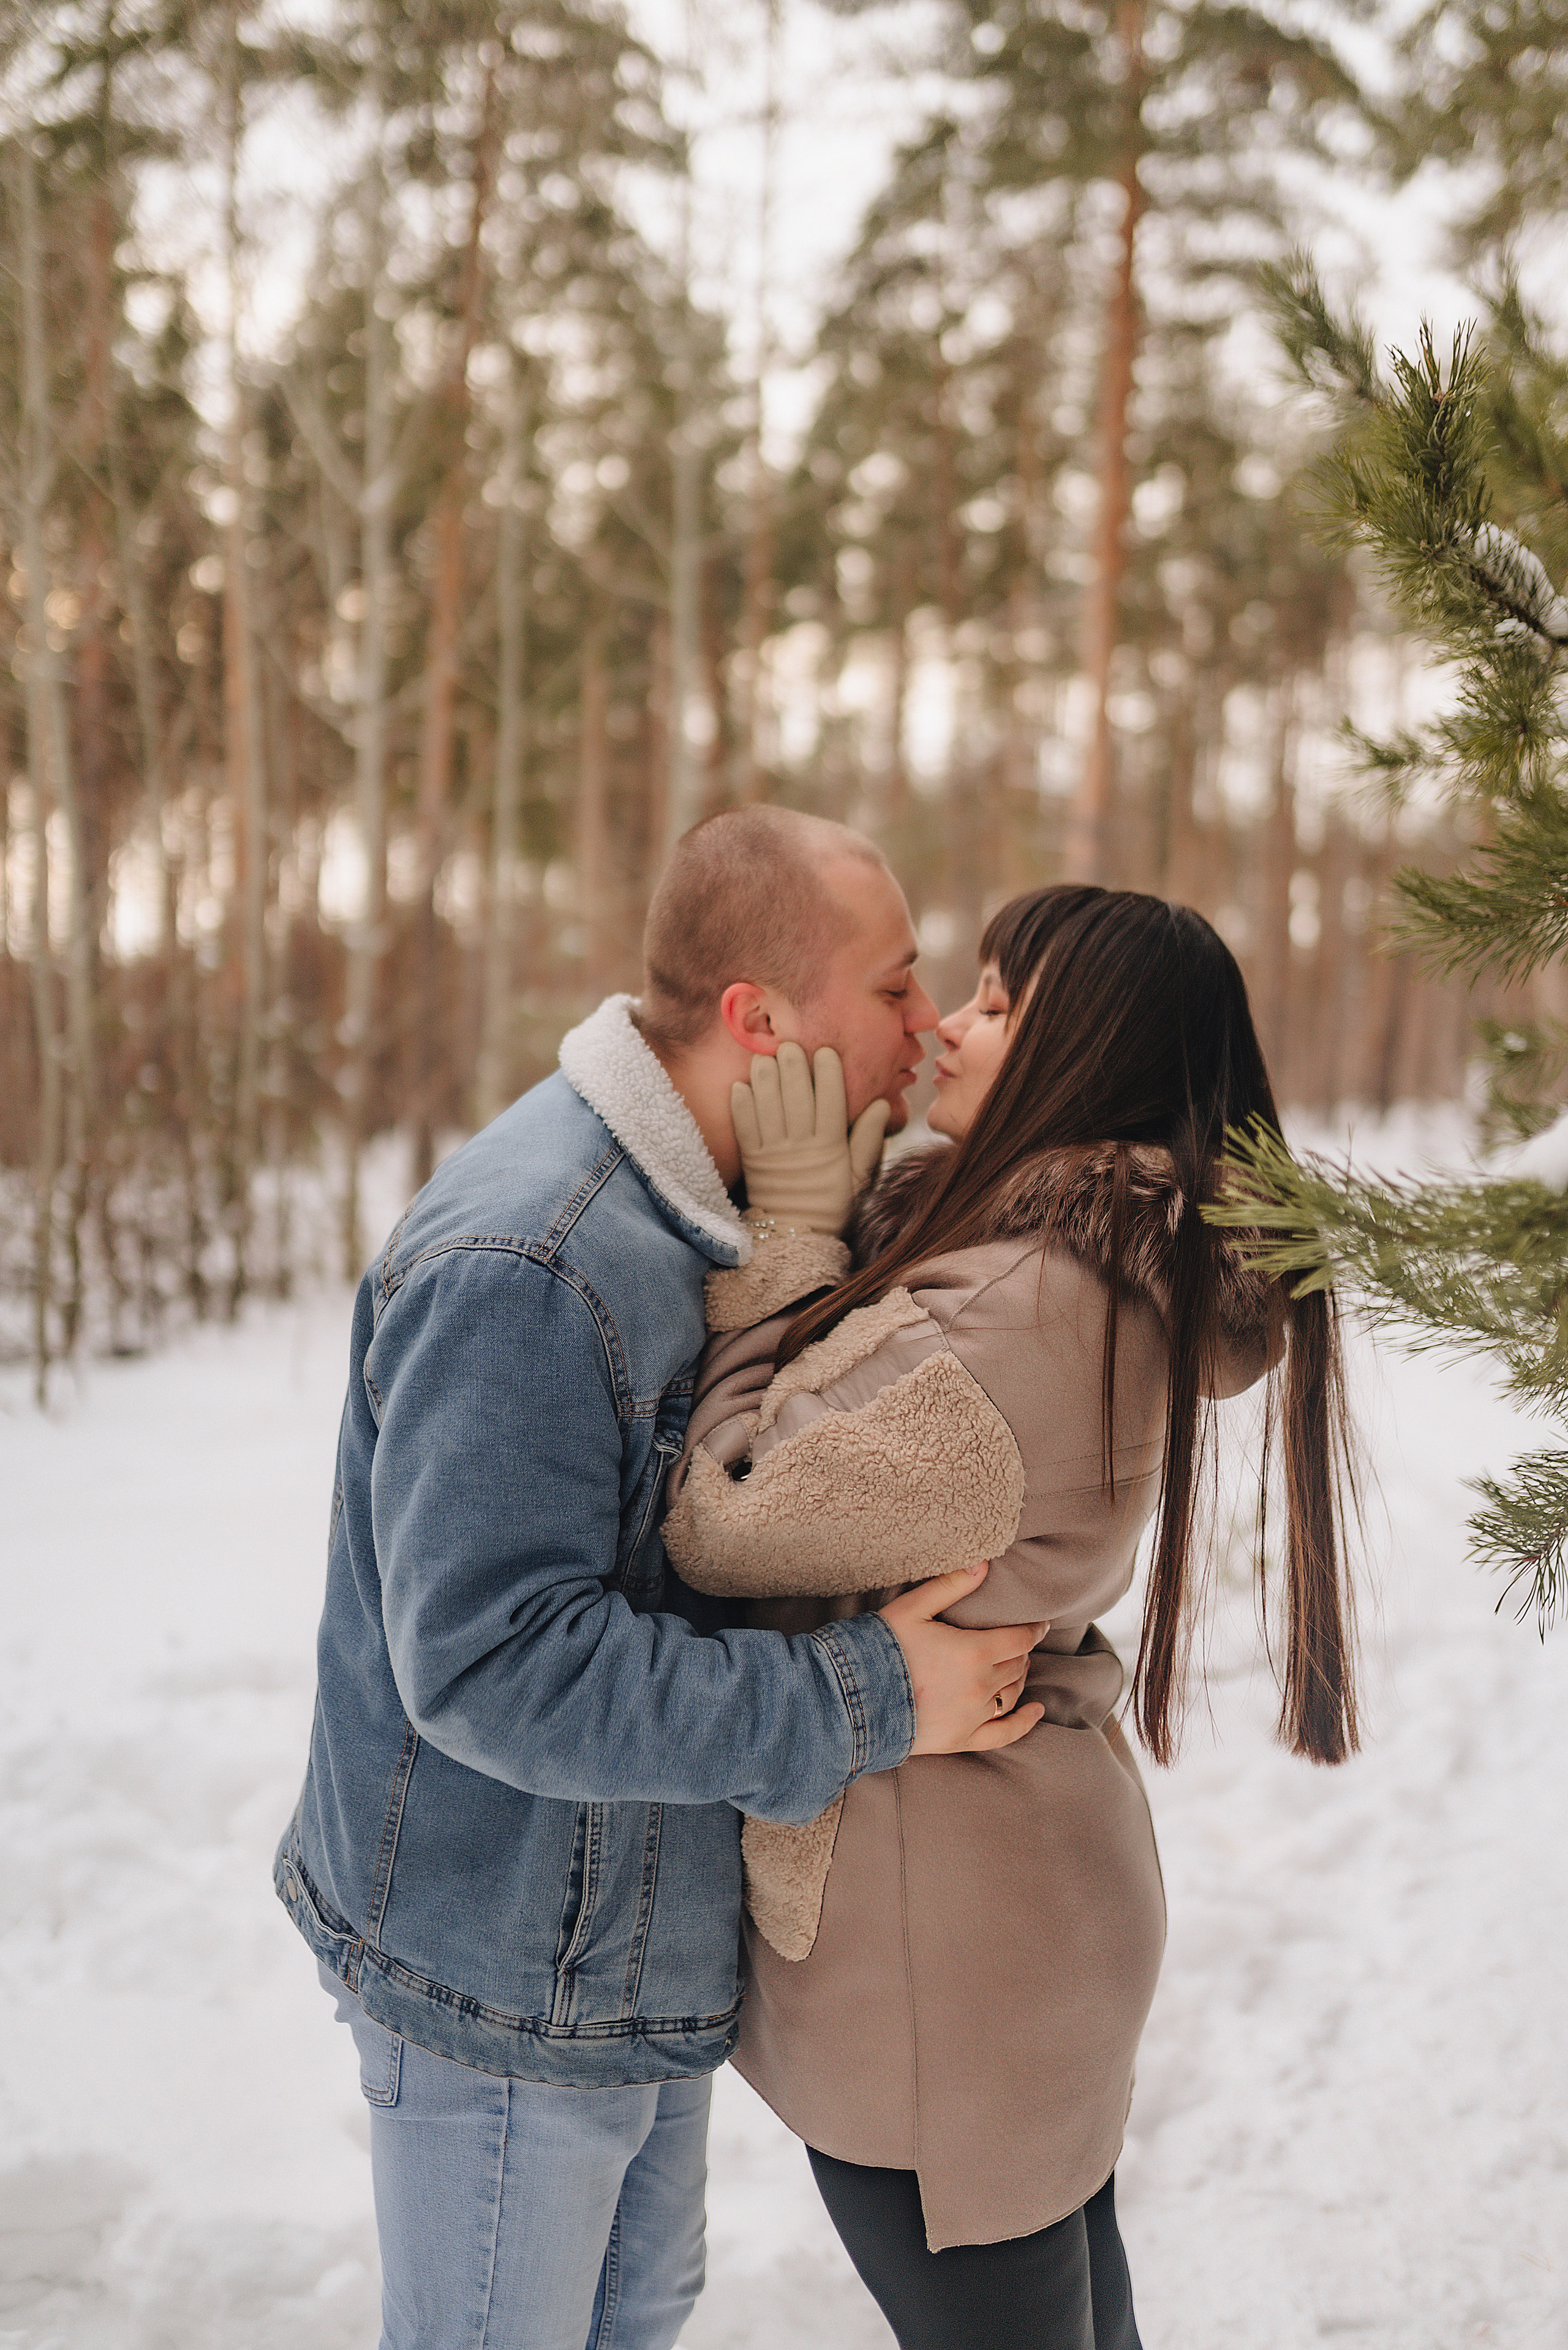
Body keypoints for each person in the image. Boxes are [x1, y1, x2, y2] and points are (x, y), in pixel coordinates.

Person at [273, 805, 1049, 2350]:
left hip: (626, 1958)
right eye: (894, 985)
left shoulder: (728, 1202)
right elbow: (494, 1662)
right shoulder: (540, 1258)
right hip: (501, 1978)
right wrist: (870, 1692)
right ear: (760, 1019)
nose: (922, 1025)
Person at [663, 883, 1362, 2350]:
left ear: (1082, 1051)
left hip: (944, 1955)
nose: (952, 1029)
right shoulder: (1062, 1271)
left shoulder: (1023, 1310)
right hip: (1010, 1907)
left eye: (993, 999)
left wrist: (785, 1243)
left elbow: (724, 1513)